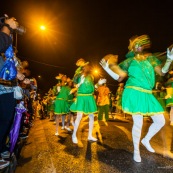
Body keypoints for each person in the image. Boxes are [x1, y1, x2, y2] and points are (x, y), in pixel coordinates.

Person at [100, 34, 173, 162]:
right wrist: (107, 68)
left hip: (147, 94)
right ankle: (136, 150)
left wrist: (169, 60)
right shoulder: (129, 61)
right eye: (136, 45)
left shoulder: (151, 59)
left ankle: (145, 140)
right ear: (133, 48)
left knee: (160, 121)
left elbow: (162, 72)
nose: (139, 46)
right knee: (138, 123)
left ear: (143, 47)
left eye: (140, 44)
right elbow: (119, 77)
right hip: (133, 92)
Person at [0, 17, 18, 169]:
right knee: (3, 120)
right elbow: (1, 43)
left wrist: (19, 75)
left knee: (6, 120)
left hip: (6, 89)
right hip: (2, 88)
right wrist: (7, 26)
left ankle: (2, 149)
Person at [70, 59, 98, 144]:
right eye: (86, 66)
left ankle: (90, 135)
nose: (88, 67)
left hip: (90, 97)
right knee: (79, 116)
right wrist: (79, 83)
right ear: (83, 67)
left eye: (88, 66)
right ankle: (74, 135)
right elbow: (74, 85)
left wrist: (99, 84)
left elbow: (93, 87)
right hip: (81, 96)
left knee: (92, 116)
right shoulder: (77, 75)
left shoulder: (91, 76)